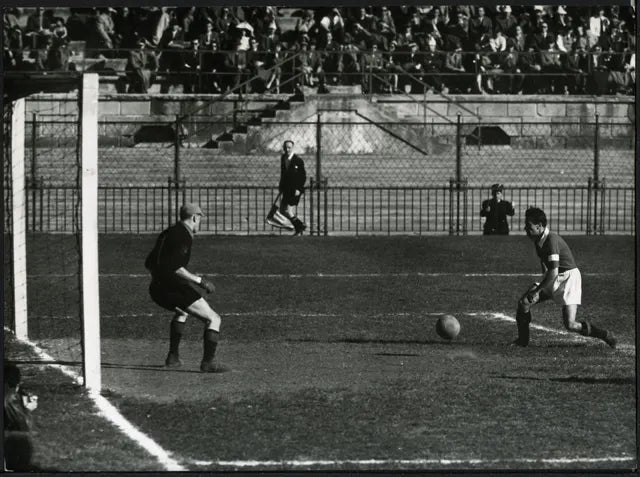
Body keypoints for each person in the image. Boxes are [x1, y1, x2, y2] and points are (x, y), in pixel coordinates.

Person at [513, 207, 617, 348]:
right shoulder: (538, 240)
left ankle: (605, 335)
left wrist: (536, 291)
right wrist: (539, 287)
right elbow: (547, 266)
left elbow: (553, 273)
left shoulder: (551, 241)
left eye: (529, 226)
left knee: (571, 324)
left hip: (569, 280)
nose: (526, 229)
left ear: (539, 226)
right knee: (524, 302)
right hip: (554, 279)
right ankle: (522, 341)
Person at [145, 203, 225, 372]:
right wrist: (200, 281)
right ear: (195, 217)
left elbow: (149, 263)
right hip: (173, 289)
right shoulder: (183, 236)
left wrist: (160, 277)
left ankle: (173, 357)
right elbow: (176, 267)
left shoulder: (168, 233)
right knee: (214, 319)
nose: (199, 223)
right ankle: (208, 363)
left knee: (182, 312)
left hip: (156, 289)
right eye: (199, 219)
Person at [4, 363, 38, 471]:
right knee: (21, 441)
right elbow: (21, 424)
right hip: (10, 441)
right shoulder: (9, 398)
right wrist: (28, 409)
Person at [274, 140, 307, 236]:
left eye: (289, 147)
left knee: (289, 210)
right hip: (286, 189)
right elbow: (283, 175)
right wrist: (281, 187)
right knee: (282, 210)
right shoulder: (283, 158)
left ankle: (299, 229)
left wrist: (298, 189)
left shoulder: (298, 160)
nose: (287, 149)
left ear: (293, 148)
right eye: (285, 147)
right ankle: (300, 225)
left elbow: (303, 176)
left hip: (295, 190)